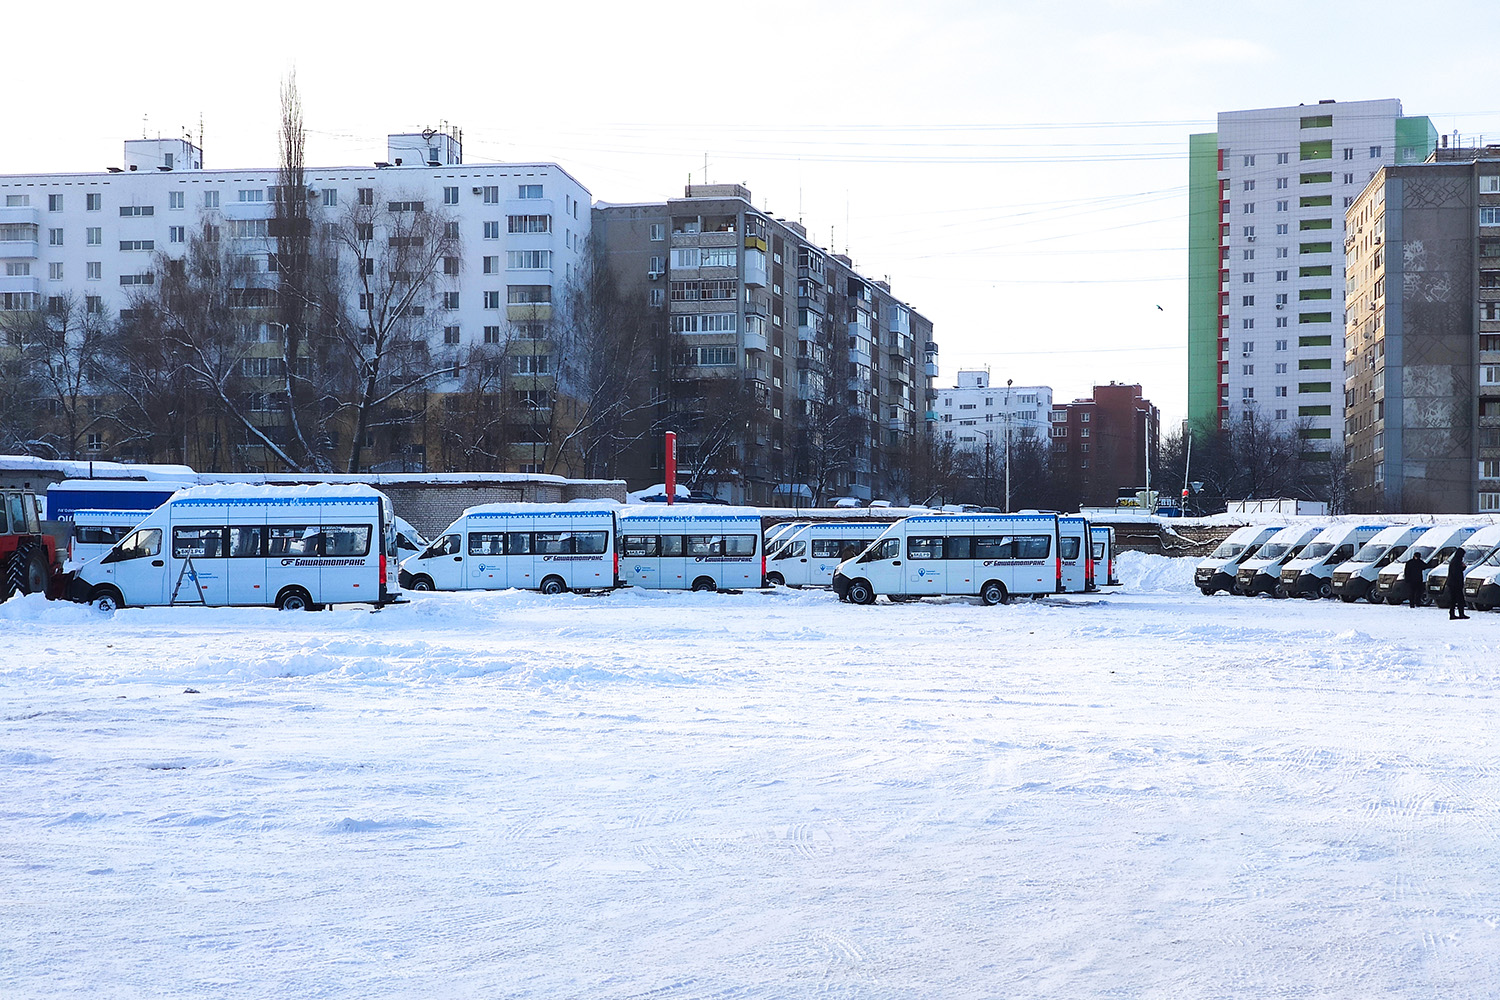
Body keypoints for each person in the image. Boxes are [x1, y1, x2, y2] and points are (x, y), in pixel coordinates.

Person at [1448, 548, 1469, 620]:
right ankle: (1460, 614)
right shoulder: (1456, 561)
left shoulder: (1454, 560)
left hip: (1452, 583)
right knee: (1459, 599)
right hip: (1455, 584)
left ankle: (1453, 614)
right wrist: (1462, 567)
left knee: (1453, 600)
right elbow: (1456, 572)